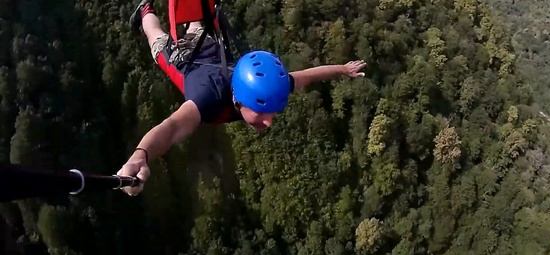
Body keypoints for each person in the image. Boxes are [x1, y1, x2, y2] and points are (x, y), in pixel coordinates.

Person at [117, 0, 367, 196]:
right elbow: (170, 128)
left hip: (210, 49)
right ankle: (144, 9)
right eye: (263, 111)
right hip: (186, 62)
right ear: (238, 99)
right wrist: (141, 155)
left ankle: (191, 22)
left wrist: (343, 70)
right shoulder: (208, 98)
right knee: (155, 37)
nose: (269, 121)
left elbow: (308, 76)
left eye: (271, 112)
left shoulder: (265, 86)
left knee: (198, 24)